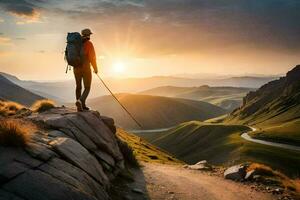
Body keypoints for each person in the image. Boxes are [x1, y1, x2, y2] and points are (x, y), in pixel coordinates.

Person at [74, 28, 98, 112]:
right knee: (87, 87)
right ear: (88, 35)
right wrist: (95, 68)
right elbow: (92, 58)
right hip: (86, 68)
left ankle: (80, 106)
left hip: (76, 68)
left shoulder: (75, 44)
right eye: (90, 35)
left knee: (78, 87)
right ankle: (80, 101)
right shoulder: (89, 44)